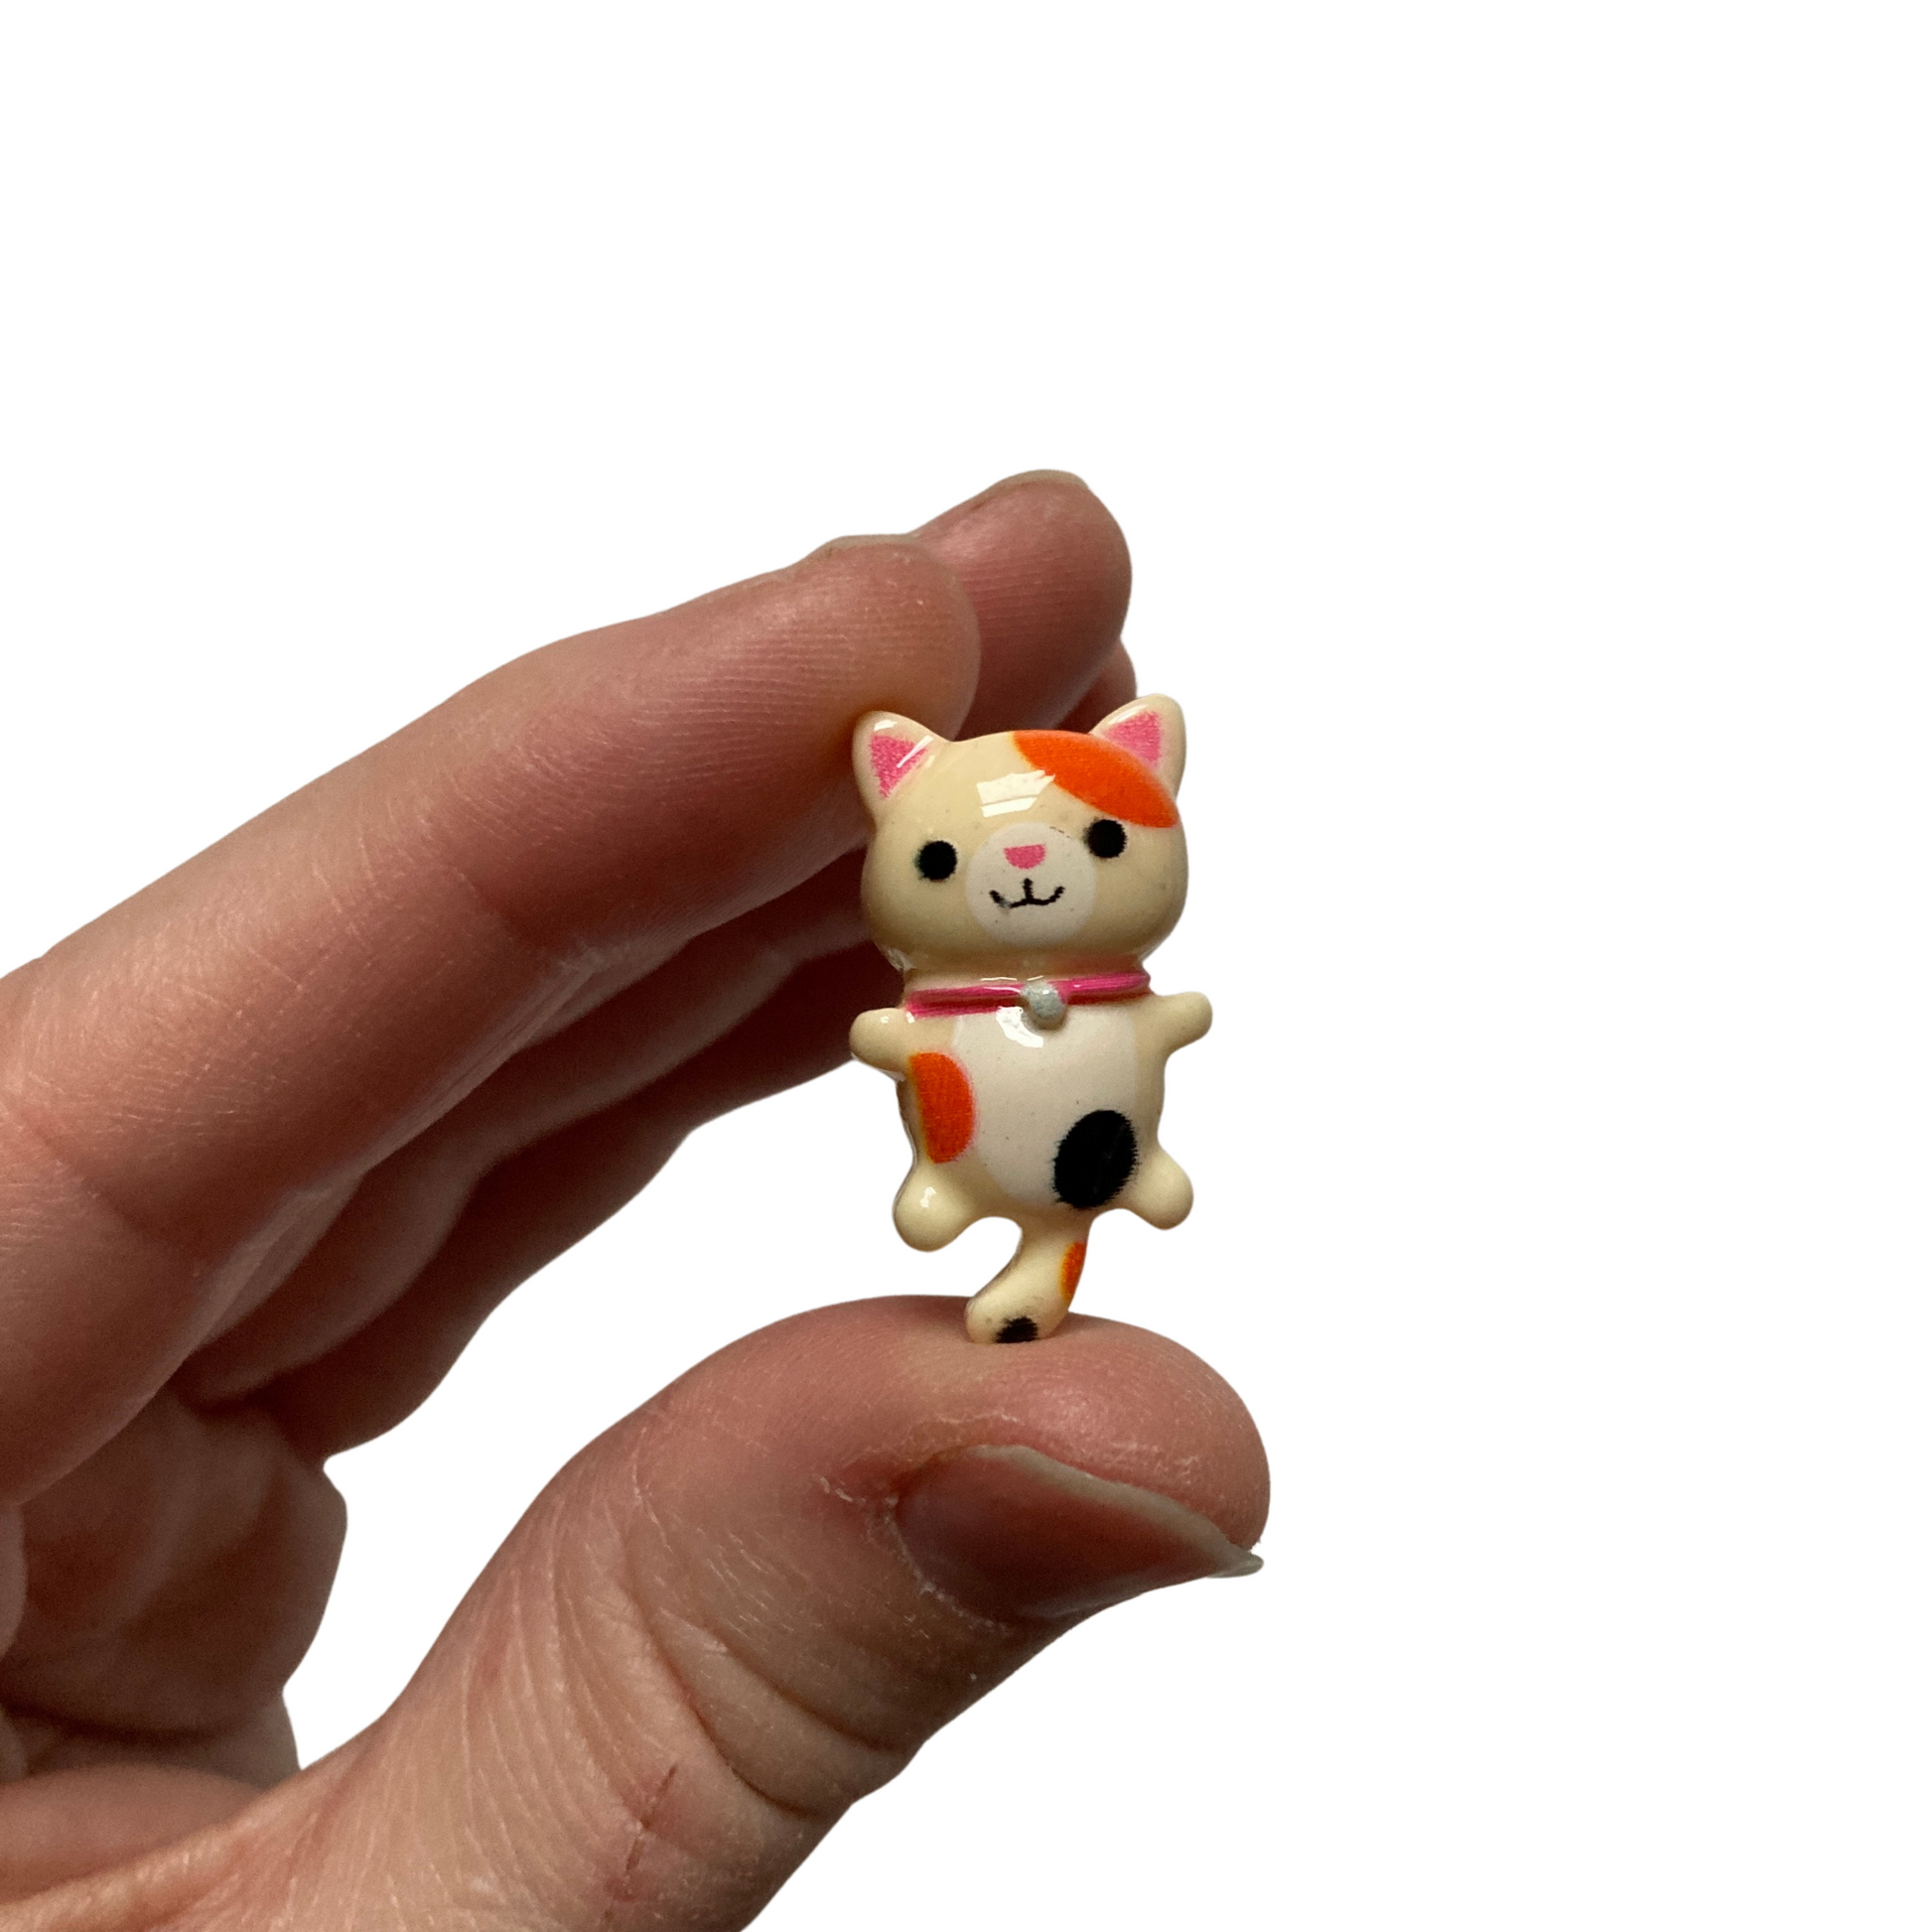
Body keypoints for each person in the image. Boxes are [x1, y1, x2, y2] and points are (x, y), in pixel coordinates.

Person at [0, 473, 1267, 1926]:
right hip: (970, 1122)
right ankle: (974, 1198)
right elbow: (900, 1032)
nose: (1027, 868)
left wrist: (1133, 1040)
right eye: (947, 855)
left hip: (1086, 1122)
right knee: (956, 1181)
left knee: (1085, 1178)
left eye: (1095, 842)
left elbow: (1155, 1024)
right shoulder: (935, 989)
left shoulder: (1093, 982)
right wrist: (912, 1054)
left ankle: (1087, 1199)